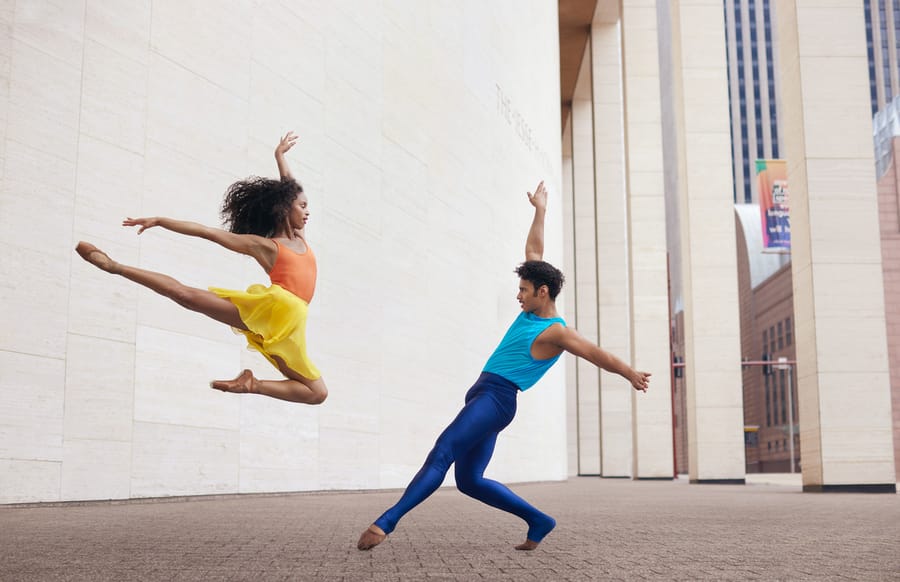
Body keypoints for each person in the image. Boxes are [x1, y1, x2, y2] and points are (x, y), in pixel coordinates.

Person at [356, 181, 650, 551]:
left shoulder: (556, 332)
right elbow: (534, 250)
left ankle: (386, 522)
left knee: (442, 451)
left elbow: (596, 354)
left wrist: (630, 374)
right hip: (482, 395)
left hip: (496, 400)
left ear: (542, 292)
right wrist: (540, 211)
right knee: (469, 481)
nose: (518, 294)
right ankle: (539, 520)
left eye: (524, 290)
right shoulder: (530, 312)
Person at [74, 131, 328, 405]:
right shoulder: (266, 246)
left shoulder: (300, 237)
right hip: (277, 308)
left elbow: (289, 187)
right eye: (302, 206)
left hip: (291, 319)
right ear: (283, 209)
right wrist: (161, 220)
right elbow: (206, 232)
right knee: (186, 296)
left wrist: (279, 157)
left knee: (317, 393)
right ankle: (114, 266)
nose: (307, 211)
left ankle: (251, 384)